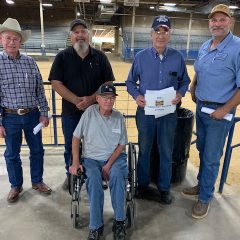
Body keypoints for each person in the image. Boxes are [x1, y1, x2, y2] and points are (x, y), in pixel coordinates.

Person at [182, 4, 240, 219]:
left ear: (230, 22)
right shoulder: (206, 45)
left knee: (212, 157)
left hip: (220, 112)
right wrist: (194, 85)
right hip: (202, 106)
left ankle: (205, 198)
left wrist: (224, 109)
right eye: (214, 20)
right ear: (209, 23)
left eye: (222, 20)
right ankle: (201, 185)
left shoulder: (237, 48)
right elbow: (199, 69)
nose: (217, 24)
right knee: (203, 149)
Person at [126, 15, 190, 204]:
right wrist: (136, 95)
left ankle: (164, 188)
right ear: (151, 34)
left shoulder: (177, 58)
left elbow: (184, 81)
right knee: (144, 149)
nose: (161, 35)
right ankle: (143, 185)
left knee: (166, 151)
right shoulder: (141, 57)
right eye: (157, 31)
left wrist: (180, 93)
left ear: (170, 35)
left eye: (165, 32)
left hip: (168, 114)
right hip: (146, 112)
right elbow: (130, 82)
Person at [48, 19, 115, 190]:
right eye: (76, 32)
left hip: (97, 112)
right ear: (71, 36)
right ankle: (71, 174)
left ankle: (98, 175)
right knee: (71, 144)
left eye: (83, 31)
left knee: (99, 144)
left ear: (89, 35)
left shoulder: (100, 57)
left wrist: (92, 99)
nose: (80, 35)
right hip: (71, 112)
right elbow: (56, 83)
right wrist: (76, 100)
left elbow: (108, 83)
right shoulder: (62, 57)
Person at [0, 18, 52, 203]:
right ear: (1, 39)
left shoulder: (30, 62)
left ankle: (37, 181)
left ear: (20, 41)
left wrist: (44, 113)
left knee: (37, 150)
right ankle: (16, 185)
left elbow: (39, 89)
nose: (12, 42)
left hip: (32, 115)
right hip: (9, 117)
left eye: (15, 38)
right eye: (8, 38)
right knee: (11, 154)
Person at [69, 83, 128, 240]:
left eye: (111, 98)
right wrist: (75, 162)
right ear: (97, 99)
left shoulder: (119, 117)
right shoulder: (89, 113)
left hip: (114, 159)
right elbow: (76, 138)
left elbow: (122, 144)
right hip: (91, 159)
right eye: (105, 98)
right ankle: (96, 226)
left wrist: (108, 164)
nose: (108, 101)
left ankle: (120, 222)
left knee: (117, 176)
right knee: (94, 179)